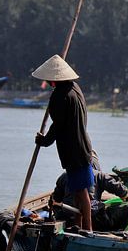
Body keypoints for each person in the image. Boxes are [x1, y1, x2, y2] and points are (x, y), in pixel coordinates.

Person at [32, 54, 96, 232]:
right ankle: (77, 225)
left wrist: (43, 141)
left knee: (82, 191)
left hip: (74, 151)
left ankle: (88, 229)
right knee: (78, 190)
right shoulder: (75, 88)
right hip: (83, 146)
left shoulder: (60, 96)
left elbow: (57, 127)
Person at [50, 166, 128, 232]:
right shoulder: (99, 175)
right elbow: (119, 189)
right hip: (95, 221)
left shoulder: (64, 176)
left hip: (68, 218)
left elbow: (55, 200)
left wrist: (59, 215)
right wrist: (127, 195)